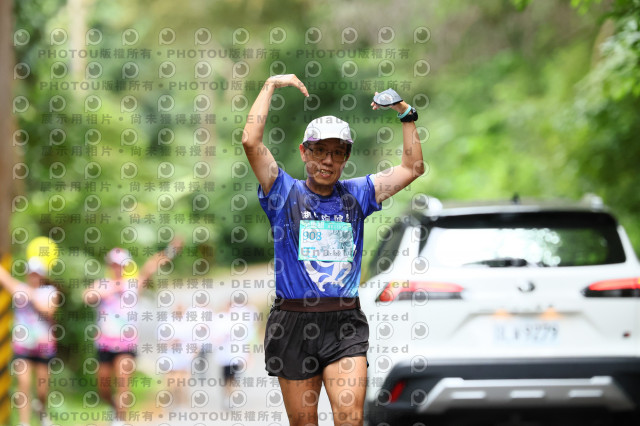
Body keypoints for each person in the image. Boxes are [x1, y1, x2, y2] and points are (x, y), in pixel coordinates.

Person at [242, 74, 424, 426]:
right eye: (320, 151)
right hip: (292, 322)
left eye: (337, 153)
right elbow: (251, 141)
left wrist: (405, 113)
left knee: (350, 417)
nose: (328, 160)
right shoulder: (283, 192)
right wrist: (270, 86)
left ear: (346, 158)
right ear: (304, 152)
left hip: (344, 323)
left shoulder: (359, 193)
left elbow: (412, 167)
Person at [83, 239, 182, 424]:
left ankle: (120, 420)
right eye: (113, 264)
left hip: (126, 344)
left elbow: (151, 266)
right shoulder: (103, 284)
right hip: (105, 343)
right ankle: (115, 409)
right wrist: (108, 290)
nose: (116, 268)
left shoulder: (133, 284)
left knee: (123, 383)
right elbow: (87, 296)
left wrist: (170, 251)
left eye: (120, 265)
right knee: (103, 387)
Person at [0, 257, 61, 426]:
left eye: (37, 274)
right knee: (24, 384)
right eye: (31, 273)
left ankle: (41, 411)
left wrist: (31, 295)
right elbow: (4, 277)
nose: (34, 277)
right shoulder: (20, 289)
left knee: (42, 390)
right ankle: (24, 422)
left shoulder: (49, 292)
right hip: (23, 347)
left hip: (44, 348)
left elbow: (48, 310)